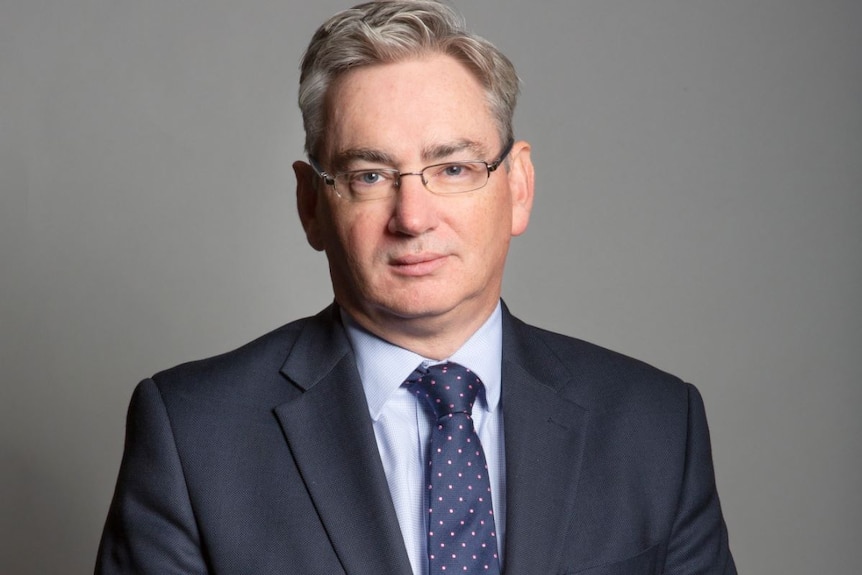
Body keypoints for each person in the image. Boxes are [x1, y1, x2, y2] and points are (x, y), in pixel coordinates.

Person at [95, 1, 736, 573]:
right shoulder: (194, 433)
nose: (412, 217)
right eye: (370, 175)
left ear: (517, 187)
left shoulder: (655, 427)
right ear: (310, 204)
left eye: (453, 168)